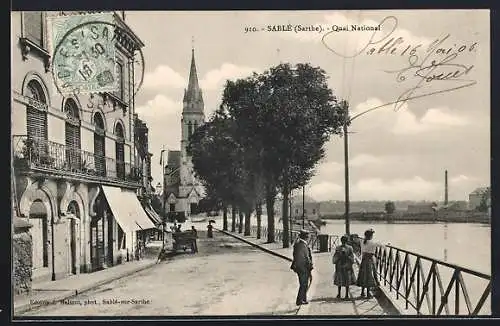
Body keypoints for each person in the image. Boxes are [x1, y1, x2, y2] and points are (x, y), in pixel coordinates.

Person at [290, 230, 313, 305]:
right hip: (303, 267)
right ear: (306, 237)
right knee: (303, 284)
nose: (309, 237)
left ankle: (303, 299)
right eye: (308, 236)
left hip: (300, 267)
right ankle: (300, 300)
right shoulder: (302, 245)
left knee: (304, 283)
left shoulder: (299, 244)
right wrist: (310, 265)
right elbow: (306, 257)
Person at [356, 228, 379, 298]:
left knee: (363, 275)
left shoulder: (362, 241)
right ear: (371, 236)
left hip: (363, 260)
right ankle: (368, 293)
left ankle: (362, 292)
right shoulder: (372, 243)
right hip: (369, 260)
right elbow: (379, 247)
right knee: (369, 276)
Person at [332, 235, 357, 299]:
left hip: (340, 264)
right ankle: (346, 295)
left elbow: (335, 257)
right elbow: (352, 257)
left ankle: (339, 294)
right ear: (347, 241)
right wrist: (348, 259)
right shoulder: (350, 248)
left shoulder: (338, 247)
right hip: (347, 264)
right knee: (347, 279)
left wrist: (337, 259)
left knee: (340, 279)